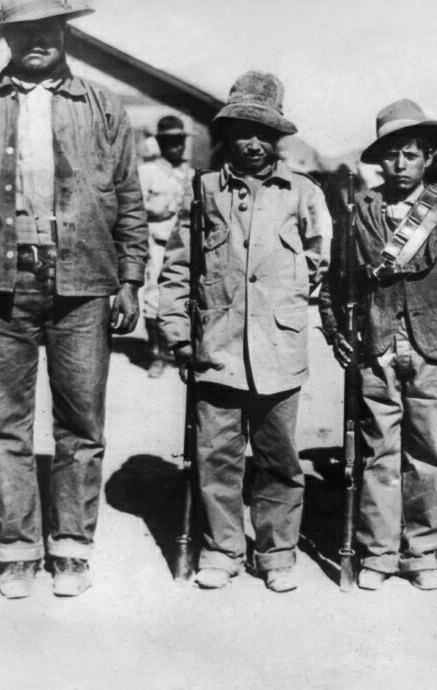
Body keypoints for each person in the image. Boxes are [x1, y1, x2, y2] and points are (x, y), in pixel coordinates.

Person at [0, 0, 147, 599]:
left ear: (64, 31)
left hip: (82, 286)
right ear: (6, 37)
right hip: (2, 288)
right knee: (3, 426)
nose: (34, 40)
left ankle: (72, 549)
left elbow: (129, 197)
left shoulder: (103, 106)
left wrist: (129, 277)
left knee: (81, 423)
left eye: (45, 29)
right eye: (21, 30)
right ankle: (18, 548)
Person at [159, 72, 331, 592]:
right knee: (217, 455)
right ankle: (222, 549)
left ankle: (276, 552)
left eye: (263, 133)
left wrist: (289, 305)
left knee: (279, 457)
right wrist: (178, 332)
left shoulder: (302, 193)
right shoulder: (203, 192)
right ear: (226, 135)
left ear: (277, 139)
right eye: (241, 132)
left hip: (278, 348)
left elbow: (320, 265)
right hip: (217, 345)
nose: (252, 144)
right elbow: (177, 268)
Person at [319, 100, 437, 591]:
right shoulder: (359, 209)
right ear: (378, 161)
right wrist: (335, 329)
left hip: (432, 344)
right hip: (377, 341)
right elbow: (337, 279)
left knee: (427, 454)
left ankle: (422, 552)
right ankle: (380, 553)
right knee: (378, 452)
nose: (401, 165)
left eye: (411, 154)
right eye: (391, 156)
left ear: (427, 157)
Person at [139, 115, 194, 378]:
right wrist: (162, 208)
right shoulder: (148, 171)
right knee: (154, 296)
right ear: (160, 143)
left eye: (180, 141)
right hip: (158, 243)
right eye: (171, 142)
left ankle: (178, 349)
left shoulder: (190, 172)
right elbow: (136, 208)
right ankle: (156, 354)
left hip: (184, 246)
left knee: (184, 295)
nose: (177, 147)